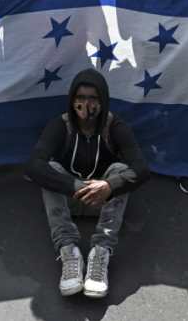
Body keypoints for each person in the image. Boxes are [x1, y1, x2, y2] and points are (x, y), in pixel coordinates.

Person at [26, 68, 150, 298]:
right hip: (69, 199)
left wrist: (110, 186)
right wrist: (73, 186)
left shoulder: (115, 127)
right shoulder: (60, 125)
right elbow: (33, 165)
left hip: (102, 202)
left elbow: (141, 169)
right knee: (49, 168)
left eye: (93, 98)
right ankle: (68, 250)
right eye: (81, 98)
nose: (86, 104)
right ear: (72, 100)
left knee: (121, 171)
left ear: (103, 101)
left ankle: (101, 252)